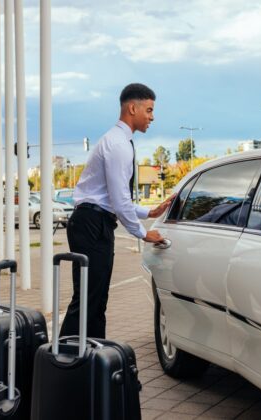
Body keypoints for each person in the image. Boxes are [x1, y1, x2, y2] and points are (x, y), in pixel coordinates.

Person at [60, 83, 174, 339]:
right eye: (149, 109)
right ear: (132, 108)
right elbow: (119, 200)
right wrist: (143, 234)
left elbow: (113, 198)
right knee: (89, 299)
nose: (152, 116)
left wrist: (149, 212)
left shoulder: (119, 141)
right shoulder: (118, 145)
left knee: (96, 299)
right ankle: (63, 361)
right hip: (92, 223)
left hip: (94, 221)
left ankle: (91, 356)